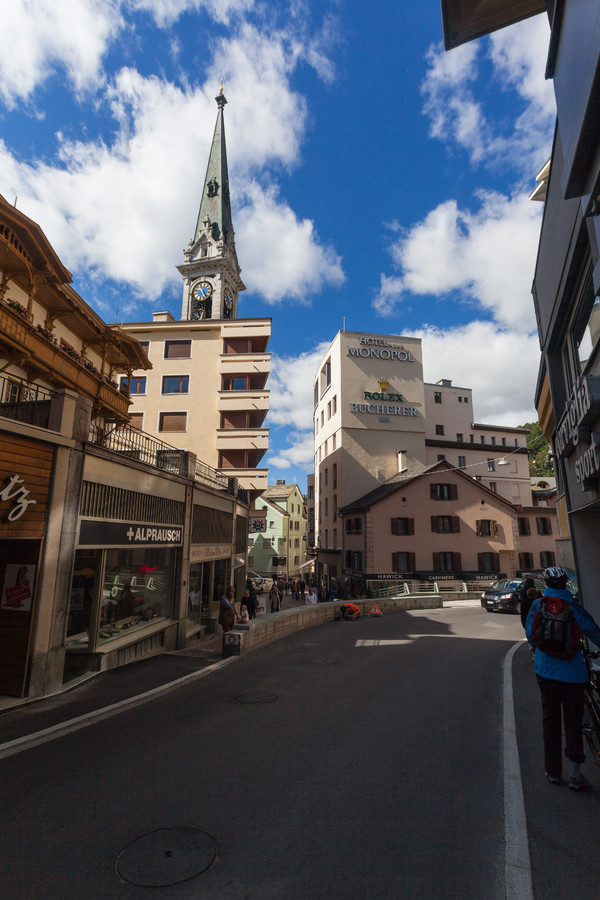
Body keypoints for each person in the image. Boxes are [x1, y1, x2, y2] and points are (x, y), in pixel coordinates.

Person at [526, 566, 600, 790]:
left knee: (550, 719)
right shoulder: (574, 606)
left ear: (546, 584)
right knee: (574, 721)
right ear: (565, 584)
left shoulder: (537, 605)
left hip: (545, 671)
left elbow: (531, 635)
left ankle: (553, 772)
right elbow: (593, 631)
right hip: (573, 673)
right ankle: (576, 775)